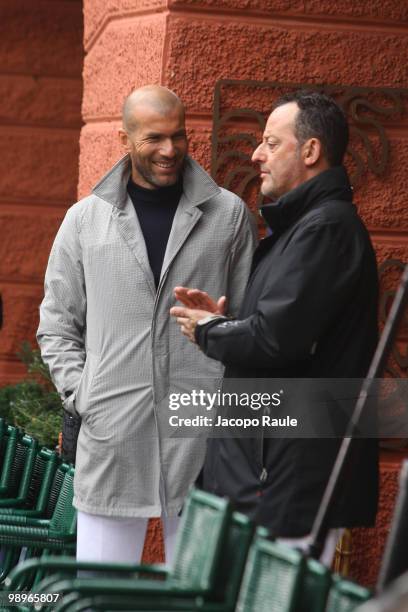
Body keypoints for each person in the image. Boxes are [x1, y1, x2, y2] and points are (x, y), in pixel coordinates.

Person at [37, 85, 255, 564]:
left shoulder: (228, 216)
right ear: (124, 138)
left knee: (198, 592)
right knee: (100, 591)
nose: (170, 150)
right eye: (154, 138)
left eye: (178, 136)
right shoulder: (84, 221)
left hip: (201, 431)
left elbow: (246, 322)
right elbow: (57, 326)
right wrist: (84, 394)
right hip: (111, 432)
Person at [171, 90, 379, 566]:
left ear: (310, 152)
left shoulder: (323, 229)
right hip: (273, 473)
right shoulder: (304, 228)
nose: (255, 154)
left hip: (290, 479)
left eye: (270, 142)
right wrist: (223, 323)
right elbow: (281, 331)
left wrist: (209, 331)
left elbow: (275, 340)